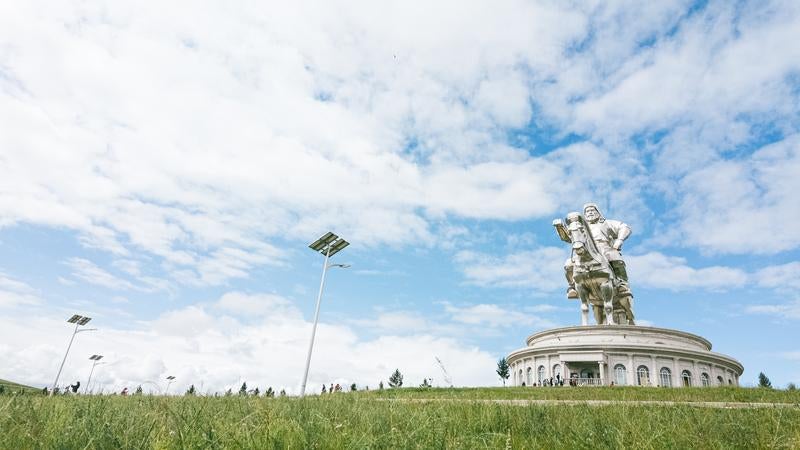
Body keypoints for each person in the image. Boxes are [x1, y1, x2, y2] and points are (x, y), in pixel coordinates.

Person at [564, 203, 632, 298]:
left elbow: (624, 227)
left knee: (615, 256)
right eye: (587, 211)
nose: (590, 212)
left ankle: (622, 284)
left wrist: (619, 240)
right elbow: (569, 237)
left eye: (592, 210)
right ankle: (572, 287)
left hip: (605, 248)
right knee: (568, 264)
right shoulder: (581, 227)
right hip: (585, 251)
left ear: (598, 212)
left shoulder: (606, 223)